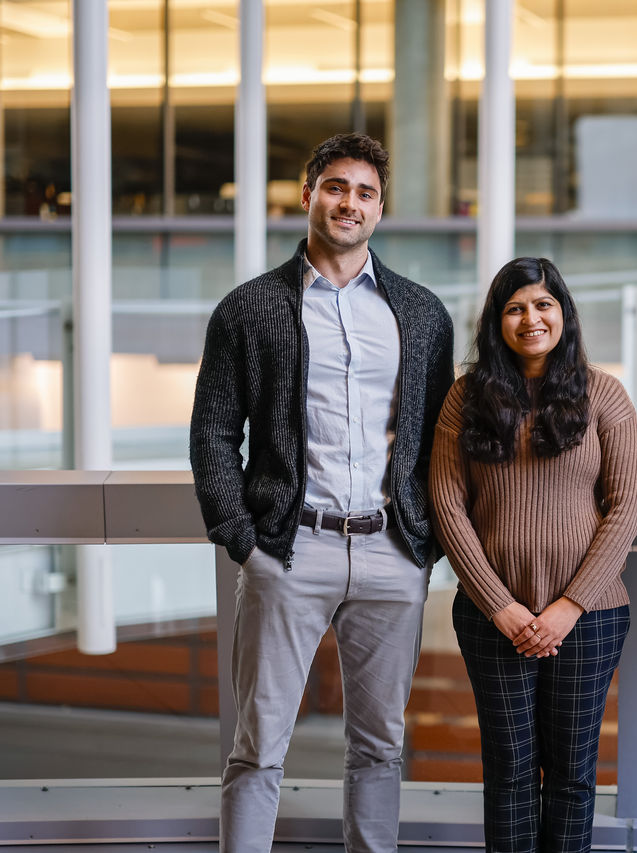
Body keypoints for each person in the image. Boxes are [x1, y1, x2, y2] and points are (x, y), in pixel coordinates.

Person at [189, 132, 455, 853]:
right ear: (308, 195)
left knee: (380, 747)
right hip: (288, 549)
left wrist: (425, 542)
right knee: (257, 746)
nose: (350, 203)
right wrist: (243, 540)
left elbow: (441, 437)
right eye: (336, 187)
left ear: (381, 209)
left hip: (392, 552)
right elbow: (214, 433)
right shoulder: (248, 308)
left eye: (366, 193)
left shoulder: (421, 313)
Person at [430, 257, 637, 853]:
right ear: (496, 322)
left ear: (564, 314)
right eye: (515, 308)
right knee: (509, 773)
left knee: (573, 775)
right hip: (491, 618)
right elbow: (448, 506)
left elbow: (626, 507)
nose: (531, 319)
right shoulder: (465, 398)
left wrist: (568, 607)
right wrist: (502, 607)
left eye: (543, 305)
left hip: (590, 619)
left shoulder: (604, 395)